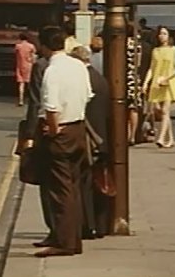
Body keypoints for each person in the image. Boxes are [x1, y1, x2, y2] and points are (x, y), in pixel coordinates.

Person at [34, 25, 93, 257]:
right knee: (72, 186)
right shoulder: (78, 65)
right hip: (78, 127)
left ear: (45, 45)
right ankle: (66, 236)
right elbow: (88, 95)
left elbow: (51, 106)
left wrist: (53, 128)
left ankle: (66, 243)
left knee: (60, 190)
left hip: (60, 132)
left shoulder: (52, 71)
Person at [69, 45, 110, 240]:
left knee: (85, 184)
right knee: (98, 184)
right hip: (101, 138)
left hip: (89, 139)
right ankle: (100, 225)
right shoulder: (100, 79)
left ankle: (88, 226)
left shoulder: (84, 80)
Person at [24, 50, 53, 249]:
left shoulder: (42, 66)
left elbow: (35, 102)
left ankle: (56, 231)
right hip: (76, 129)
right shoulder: (76, 66)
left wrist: (29, 134)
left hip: (48, 128)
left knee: (49, 184)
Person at [142, 26, 175, 148]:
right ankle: (170, 139)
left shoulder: (174, 50)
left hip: (169, 82)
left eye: (164, 33)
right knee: (162, 111)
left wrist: (166, 78)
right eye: (160, 34)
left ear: (169, 36)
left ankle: (161, 138)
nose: (162, 36)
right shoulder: (155, 50)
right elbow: (151, 68)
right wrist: (146, 83)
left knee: (165, 111)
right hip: (157, 82)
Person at [126, 24, 143, 146]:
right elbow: (138, 62)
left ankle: (126, 133)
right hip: (134, 76)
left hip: (123, 76)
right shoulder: (137, 44)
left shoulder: (122, 42)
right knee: (134, 107)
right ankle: (133, 135)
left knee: (123, 107)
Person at [15, 32, 36, 106]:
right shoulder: (31, 46)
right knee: (30, 83)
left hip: (20, 65)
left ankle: (21, 100)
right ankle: (31, 98)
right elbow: (33, 57)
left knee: (21, 83)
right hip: (29, 65)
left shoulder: (18, 46)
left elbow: (16, 55)